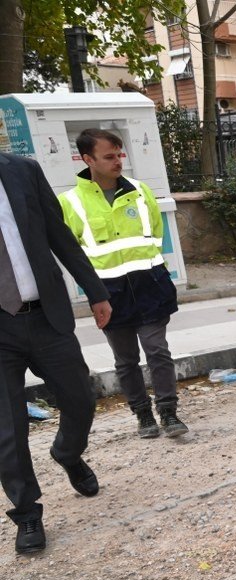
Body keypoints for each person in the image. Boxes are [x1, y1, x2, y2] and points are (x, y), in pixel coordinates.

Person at [0, 152, 112, 555]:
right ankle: (27, 511)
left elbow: (58, 233)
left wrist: (95, 290)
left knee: (81, 398)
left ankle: (67, 452)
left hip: (46, 316)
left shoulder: (22, 170)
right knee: (8, 429)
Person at [58, 129, 187, 439]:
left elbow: (156, 234)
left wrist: (153, 268)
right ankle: (143, 414)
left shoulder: (140, 191)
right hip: (108, 292)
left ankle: (168, 412)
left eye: (120, 155)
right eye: (109, 156)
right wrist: (92, 290)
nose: (118, 162)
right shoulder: (70, 202)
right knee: (125, 359)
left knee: (158, 350)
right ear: (87, 159)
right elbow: (69, 251)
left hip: (150, 284)